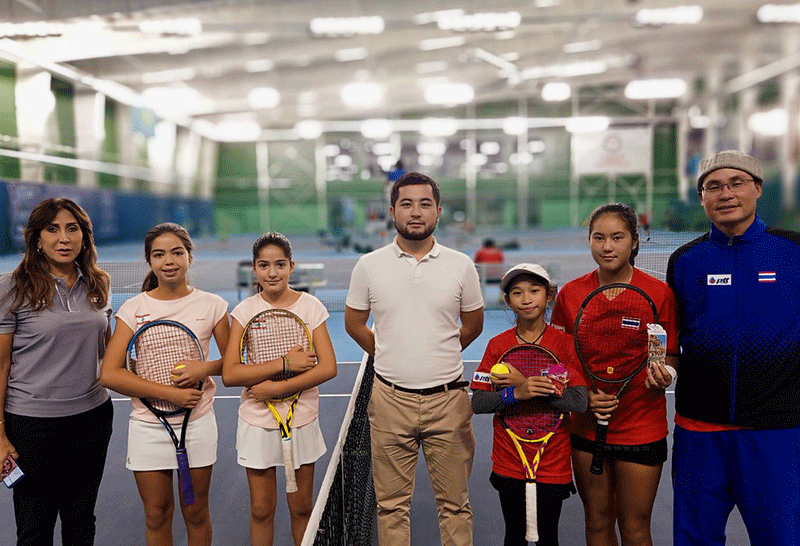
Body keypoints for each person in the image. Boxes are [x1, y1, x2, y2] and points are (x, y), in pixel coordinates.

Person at [667, 150, 800, 546]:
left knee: (780, 538)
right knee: (695, 539)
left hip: (774, 430)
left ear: (757, 189)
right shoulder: (685, 261)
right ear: (702, 197)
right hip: (698, 431)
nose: (725, 193)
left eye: (736, 183)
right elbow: (674, 341)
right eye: (713, 186)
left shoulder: (793, 252)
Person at [344, 172, 484, 546]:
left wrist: (439, 354)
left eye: (425, 204)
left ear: (438, 211)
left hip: (449, 402)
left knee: (455, 505)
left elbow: (473, 324)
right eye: (406, 204)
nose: (416, 212)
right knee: (391, 508)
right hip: (389, 402)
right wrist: (390, 353)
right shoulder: (369, 266)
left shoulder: (461, 265)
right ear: (392, 211)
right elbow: (354, 323)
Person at [550, 203, 678, 546]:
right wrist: (582, 396)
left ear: (634, 242)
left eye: (617, 237)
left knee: (635, 527)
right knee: (596, 522)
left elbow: (669, 354)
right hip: (585, 427)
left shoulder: (659, 293)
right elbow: (558, 360)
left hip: (641, 425)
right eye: (599, 237)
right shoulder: (571, 294)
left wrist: (665, 373)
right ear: (590, 241)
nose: (607, 246)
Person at [100, 223, 230, 546]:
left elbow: (234, 365)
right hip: (148, 426)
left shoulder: (213, 305)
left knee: (196, 512)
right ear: (150, 261)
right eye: (159, 254)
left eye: (177, 252)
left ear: (189, 257)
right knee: (157, 514)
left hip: (197, 423)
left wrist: (205, 367)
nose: (169, 261)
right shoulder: (134, 309)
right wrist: (170, 394)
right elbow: (110, 373)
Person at [0, 197, 114, 545]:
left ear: (83, 236)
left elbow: (109, 354)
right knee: (35, 527)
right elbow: (0, 364)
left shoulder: (99, 283)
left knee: (81, 521)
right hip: (31, 425)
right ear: (36, 238)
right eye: (52, 229)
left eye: (72, 228)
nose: (63, 238)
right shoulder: (11, 287)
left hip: (92, 419)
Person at [222, 232, 336, 546]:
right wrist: (284, 363)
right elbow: (231, 374)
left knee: (301, 507)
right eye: (264, 265)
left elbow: (328, 367)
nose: (272, 272)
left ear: (291, 266)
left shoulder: (311, 306)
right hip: (257, 420)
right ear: (254, 269)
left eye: (280, 264)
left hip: (301, 418)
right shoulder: (244, 312)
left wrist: (277, 388)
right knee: (261, 509)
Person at [471, 263, 588, 546]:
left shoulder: (565, 345)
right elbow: (479, 402)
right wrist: (515, 394)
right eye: (517, 292)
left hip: (553, 460)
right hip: (509, 459)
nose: (526, 299)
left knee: (549, 537)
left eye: (534, 291)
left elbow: (579, 401)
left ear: (549, 296)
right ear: (508, 300)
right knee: (514, 536)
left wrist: (527, 384)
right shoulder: (498, 346)